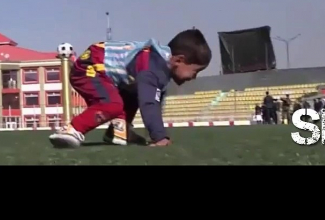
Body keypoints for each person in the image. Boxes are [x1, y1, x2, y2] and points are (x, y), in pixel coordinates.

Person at [48, 28, 211, 148]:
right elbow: (149, 104)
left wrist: (156, 134)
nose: (193, 77)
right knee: (112, 104)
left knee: (134, 91)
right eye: (195, 71)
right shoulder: (152, 68)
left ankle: (119, 130)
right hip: (89, 66)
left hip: (104, 70)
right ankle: (71, 129)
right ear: (179, 60)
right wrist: (159, 137)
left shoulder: (158, 65)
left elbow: (154, 101)